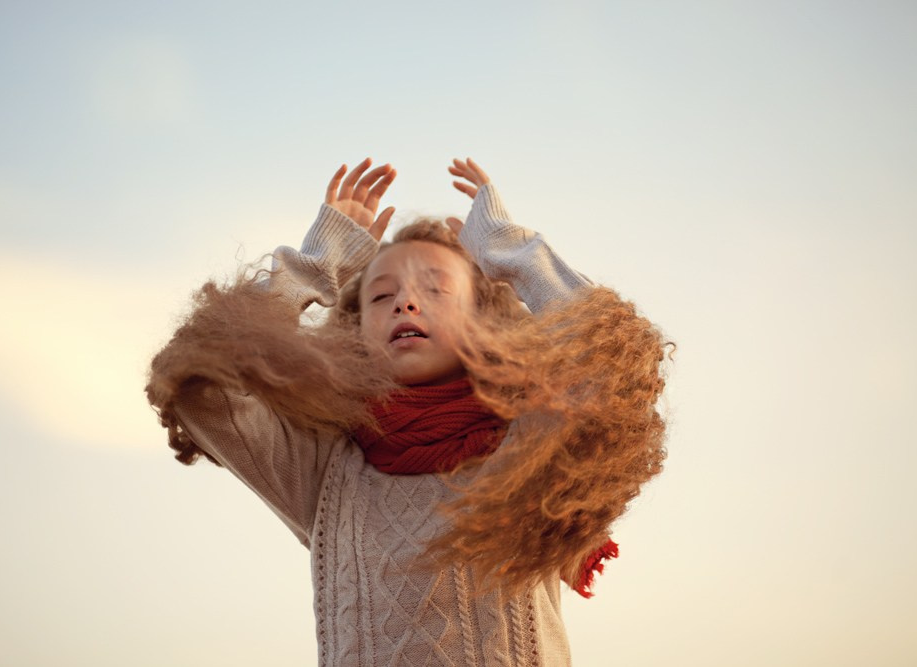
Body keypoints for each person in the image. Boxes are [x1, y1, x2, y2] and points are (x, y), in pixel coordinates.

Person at [146, 158, 670, 666]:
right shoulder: (324, 469)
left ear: (483, 321)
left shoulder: (530, 448)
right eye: (380, 296)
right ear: (354, 332)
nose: (405, 303)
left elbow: (616, 364)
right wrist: (317, 265)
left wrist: (510, 253)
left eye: (436, 290)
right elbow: (198, 386)